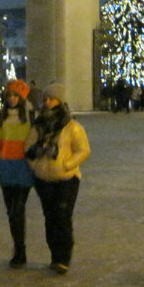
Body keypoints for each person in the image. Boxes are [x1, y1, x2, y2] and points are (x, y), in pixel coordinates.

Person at [25, 82, 90, 275]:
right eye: (45, 99)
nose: (47, 102)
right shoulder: (38, 125)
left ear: (60, 101)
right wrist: (35, 166)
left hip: (66, 179)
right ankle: (54, 256)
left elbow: (83, 150)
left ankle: (64, 257)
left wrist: (67, 165)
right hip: (43, 178)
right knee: (50, 218)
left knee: (62, 216)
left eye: (51, 99)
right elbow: (27, 148)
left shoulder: (72, 126)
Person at [0, 80, 34, 268]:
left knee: (17, 210)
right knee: (11, 212)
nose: (12, 99)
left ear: (21, 98)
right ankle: (18, 246)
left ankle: (20, 251)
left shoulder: (30, 119)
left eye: (15, 96)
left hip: (24, 169)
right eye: (9, 96)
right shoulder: (1, 119)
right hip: (6, 170)